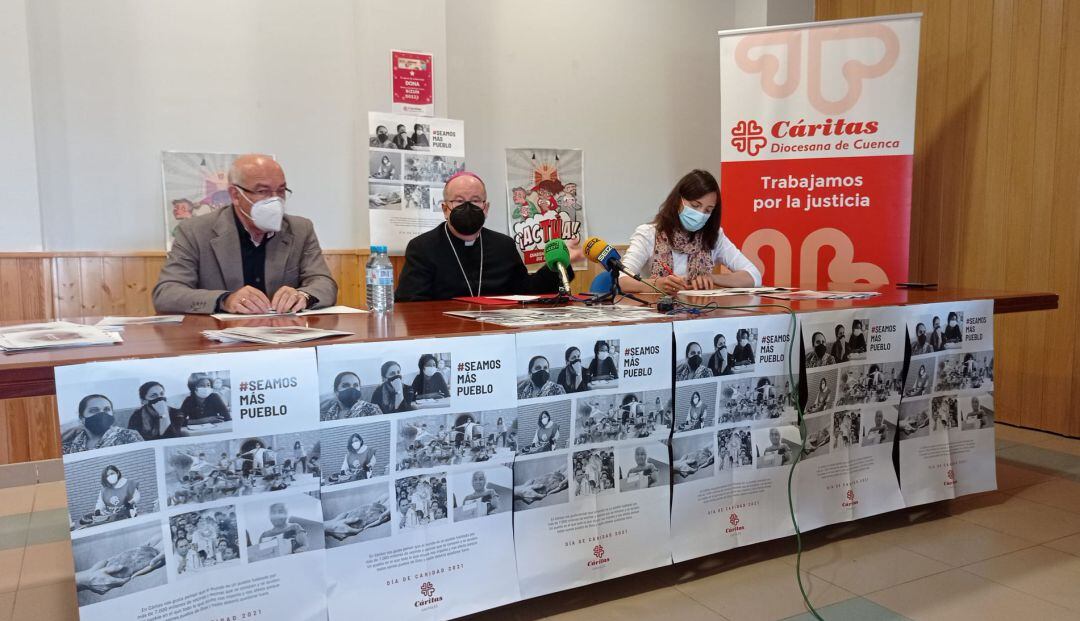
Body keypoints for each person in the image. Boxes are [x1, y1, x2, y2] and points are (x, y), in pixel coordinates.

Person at [153, 154, 337, 315]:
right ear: (235, 194)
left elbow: (324, 284)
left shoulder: (300, 229)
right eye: (263, 191)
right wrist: (224, 300)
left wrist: (304, 296)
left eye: (281, 190)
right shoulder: (195, 231)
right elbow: (167, 293)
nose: (275, 199)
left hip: (284, 337)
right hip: (219, 343)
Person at [395, 172, 575, 301]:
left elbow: (525, 292)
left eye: (475, 200)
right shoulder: (423, 247)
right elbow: (410, 304)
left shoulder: (503, 246)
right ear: (445, 209)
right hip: (447, 335)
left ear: (486, 208)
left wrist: (560, 264)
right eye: (458, 201)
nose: (467, 206)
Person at [619, 169, 762, 295]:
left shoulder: (714, 236)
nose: (701, 214)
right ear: (678, 201)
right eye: (695, 206)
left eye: (708, 210)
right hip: (658, 313)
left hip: (700, 313)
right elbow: (622, 280)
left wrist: (712, 278)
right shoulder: (648, 234)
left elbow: (754, 276)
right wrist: (655, 285)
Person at [61, 395, 143, 454]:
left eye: (106, 409)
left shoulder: (129, 437)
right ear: (82, 418)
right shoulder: (69, 445)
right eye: (94, 410)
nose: (102, 414)